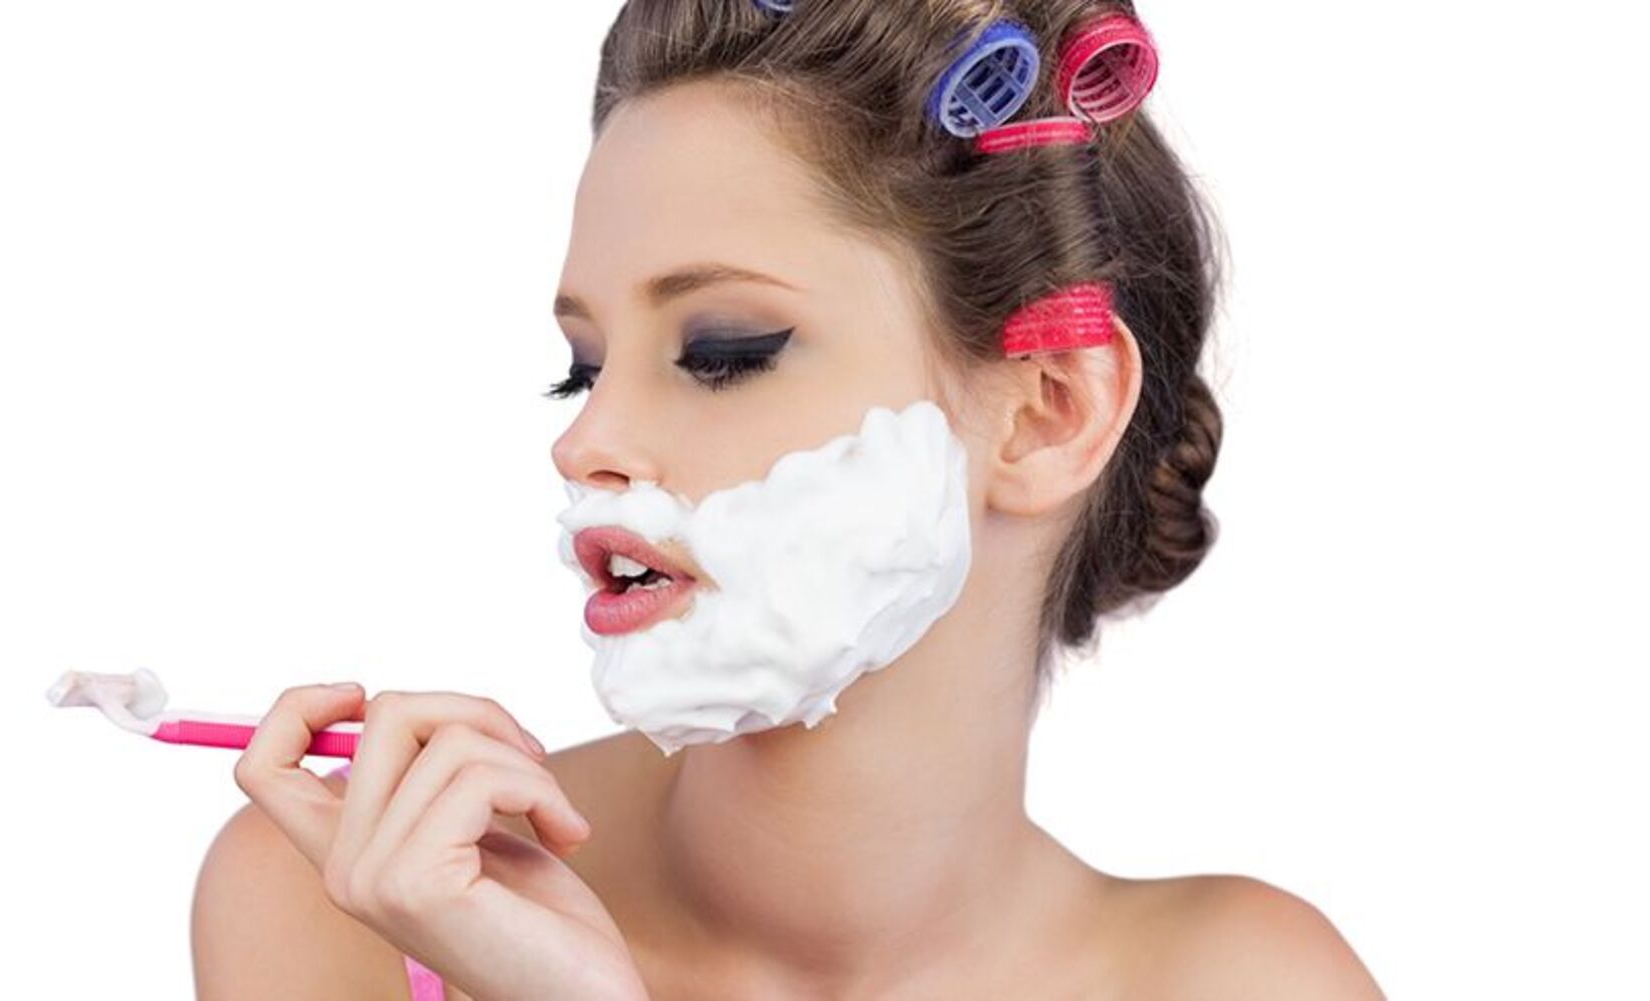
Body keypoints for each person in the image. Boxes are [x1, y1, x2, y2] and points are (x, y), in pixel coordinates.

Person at [193, 1, 1385, 997]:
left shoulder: (1253, 981)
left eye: (723, 351)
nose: (585, 441)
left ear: (1047, 412)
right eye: (585, 365)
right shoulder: (338, 907)